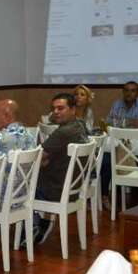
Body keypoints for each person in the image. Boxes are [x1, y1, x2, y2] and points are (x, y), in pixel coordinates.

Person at [34, 93, 89, 244]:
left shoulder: (63, 132)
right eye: (54, 109)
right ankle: (41, 221)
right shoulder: (80, 125)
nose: (56, 112)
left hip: (55, 188)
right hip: (74, 186)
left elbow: (37, 157)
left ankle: (37, 225)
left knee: (17, 186)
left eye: (61, 108)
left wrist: (43, 161)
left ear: (73, 109)